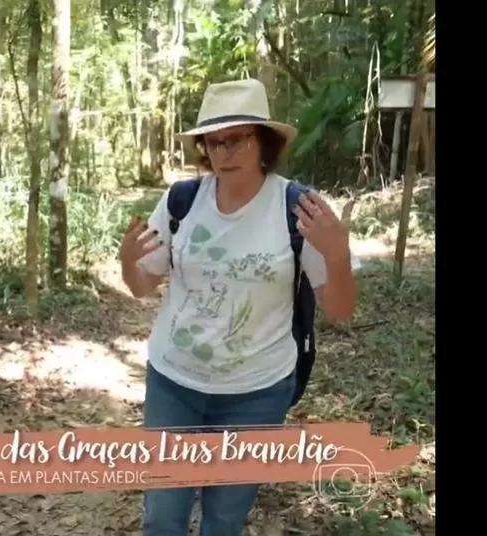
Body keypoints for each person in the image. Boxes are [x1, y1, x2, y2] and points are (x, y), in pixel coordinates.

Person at [118, 79, 359, 536]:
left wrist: (337, 253)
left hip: (256, 393)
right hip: (175, 382)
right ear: (204, 148)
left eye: (238, 138)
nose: (225, 151)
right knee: (162, 516)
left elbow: (341, 308)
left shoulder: (297, 208)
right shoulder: (181, 201)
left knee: (225, 519)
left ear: (263, 141)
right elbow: (142, 285)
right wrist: (130, 263)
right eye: (215, 141)